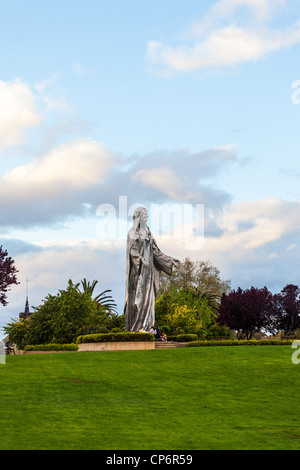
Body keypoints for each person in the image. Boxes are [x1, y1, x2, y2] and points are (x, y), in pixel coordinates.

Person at [124, 207, 180, 332]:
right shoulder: (133, 233)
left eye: (147, 215)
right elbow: (132, 250)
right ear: (138, 217)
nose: (146, 217)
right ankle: (137, 327)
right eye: (144, 215)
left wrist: (170, 260)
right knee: (138, 299)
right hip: (138, 272)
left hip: (148, 272)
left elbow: (156, 252)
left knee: (148, 300)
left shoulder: (149, 233)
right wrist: (140, 259)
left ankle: (148, 326)